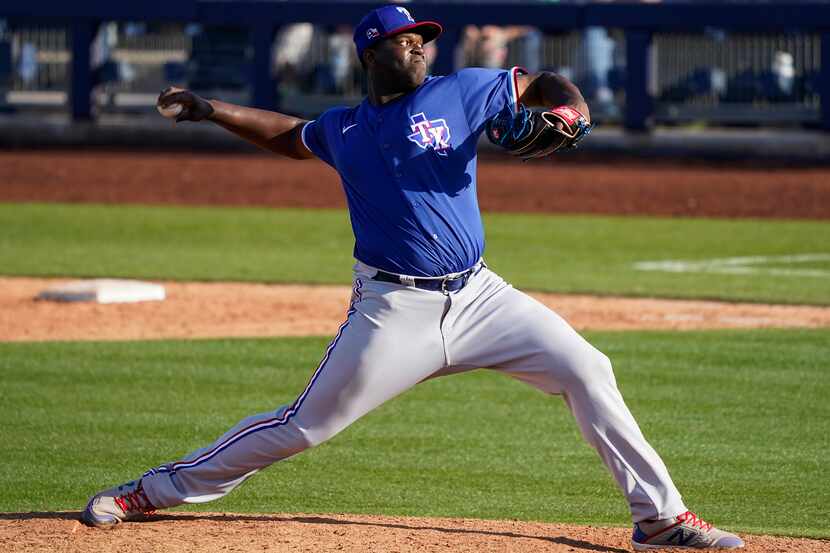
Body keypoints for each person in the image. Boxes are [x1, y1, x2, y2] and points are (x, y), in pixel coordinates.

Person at [82, 6, 744, 550]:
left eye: (422, 38)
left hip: (483, 296)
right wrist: (211, 109)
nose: (420, 47)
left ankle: (659, 518)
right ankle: (153, 489)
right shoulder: (345, 128)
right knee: (304, 425)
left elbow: (543, 84)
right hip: (393, 308)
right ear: (372, 54)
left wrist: (572, 113)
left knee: (587, 366)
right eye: (404, 41)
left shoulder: (458, 91)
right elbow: (291, 135)